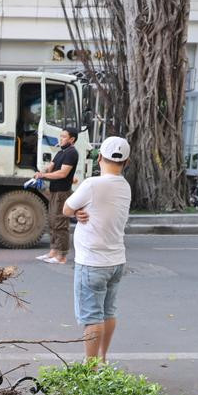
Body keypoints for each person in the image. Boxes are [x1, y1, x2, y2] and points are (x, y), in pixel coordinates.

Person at [62, 135, 132, 363]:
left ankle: (90, 368)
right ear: (126, 162)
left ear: (99, 157)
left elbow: (65, 209)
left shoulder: (92, 184)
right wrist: (80, 211)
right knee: (108, 312)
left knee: (92, 317)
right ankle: (102, 359)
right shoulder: (125, 187)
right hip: (116, 261)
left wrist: (76, 211)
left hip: (92, 263)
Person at [26, 127, 81, 264]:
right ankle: (53, 251)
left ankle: (61, 256)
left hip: (63, 192)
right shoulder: (60, 153)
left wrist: (44, 175)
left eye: (63, 136)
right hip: (54, 191)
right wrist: (41, 173)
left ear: (72, 139)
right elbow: (50, 167)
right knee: (52, 221)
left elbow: (63, 174)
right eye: (60, 136)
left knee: (60, 223)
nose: (60, 138)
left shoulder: (72, 153)